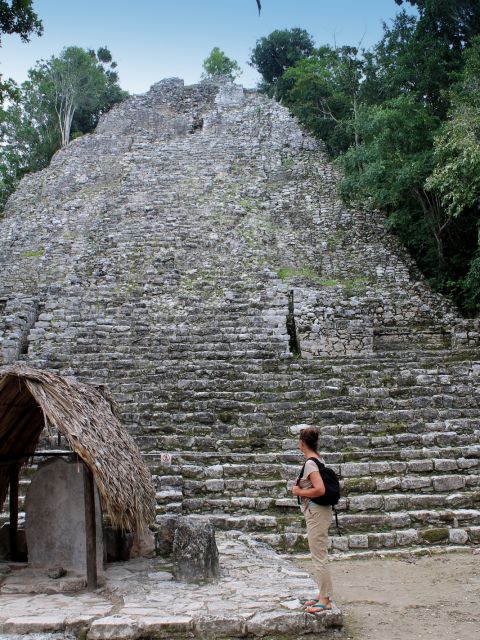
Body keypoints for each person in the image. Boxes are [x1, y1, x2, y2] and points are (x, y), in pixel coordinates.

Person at [291, 427, 333, 613]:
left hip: (316, 512)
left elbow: (320, 489)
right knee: (319, 553)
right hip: (320, 511)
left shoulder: (310, 463)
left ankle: (324, 600)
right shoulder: (319, 459)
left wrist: (299, 491)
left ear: (302, 443)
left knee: (318, 556)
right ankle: (322, 594)